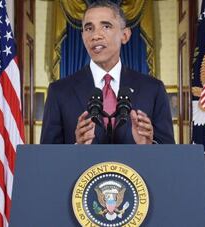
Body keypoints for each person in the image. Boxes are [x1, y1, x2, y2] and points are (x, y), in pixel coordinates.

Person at [40, 0, 174, 144]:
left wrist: (149, 146)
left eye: (106, 26)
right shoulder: (58, 92)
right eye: (89, 28)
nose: (96, 35)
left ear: (125, 35)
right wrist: (76, 148)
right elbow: (48, 160)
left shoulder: (153, 89)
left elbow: (169, 155)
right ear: (83, 36)